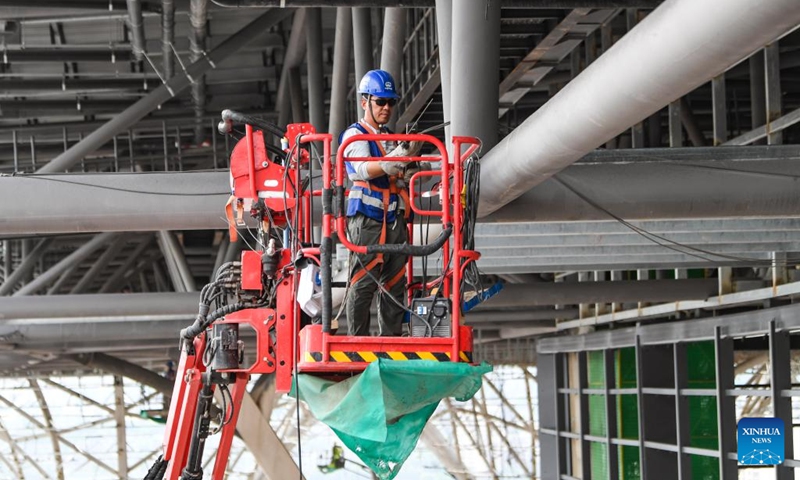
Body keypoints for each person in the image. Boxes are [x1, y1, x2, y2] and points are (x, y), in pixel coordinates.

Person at [341, 69, 428, 336]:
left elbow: (397, 173)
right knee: (363, 282)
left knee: (394, 284)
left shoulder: (390, 137)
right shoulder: (355, 136)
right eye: (381, 102)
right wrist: (394, 159)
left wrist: (411, 166)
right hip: (367, 219)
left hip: (395, 220)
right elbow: (361, 170)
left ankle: (390, 342)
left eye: (390, 102)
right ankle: (358, 342)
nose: (386, 108)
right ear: (365, 101)